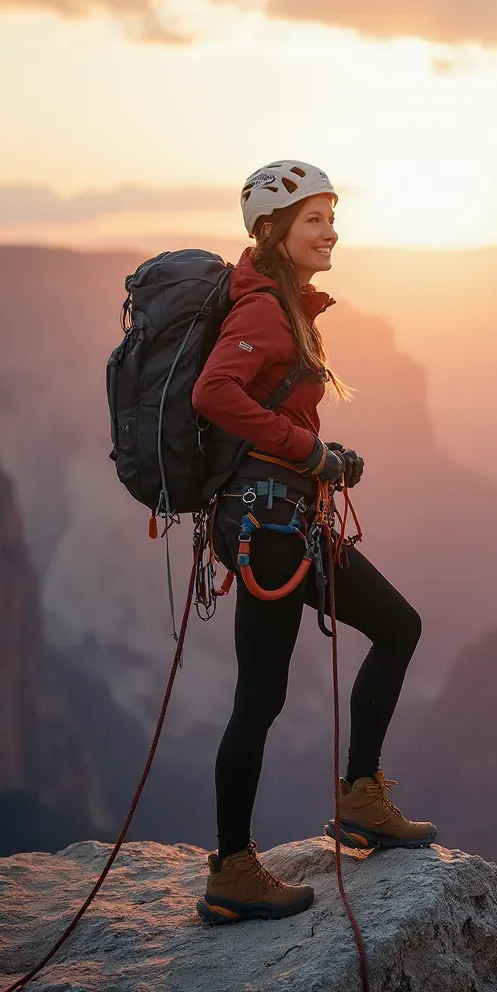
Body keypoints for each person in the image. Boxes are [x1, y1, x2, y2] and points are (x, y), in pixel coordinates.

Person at [191, 161, 436, 926]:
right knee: (260, 697)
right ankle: (234, 869)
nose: (331, 232)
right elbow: (213, 393)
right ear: (275, 231)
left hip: (285, 519)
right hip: (268, 528)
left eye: (332, 217)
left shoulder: (284, 303)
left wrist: (326, 455)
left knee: (396, 627)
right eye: (314, 221)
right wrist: (304, 454)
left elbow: (270, 406)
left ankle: (361, 798)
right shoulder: (264, 308)